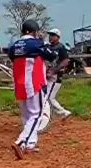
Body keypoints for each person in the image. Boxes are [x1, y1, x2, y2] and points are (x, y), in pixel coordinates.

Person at [7, 19, 56, 159]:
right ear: (35, 32)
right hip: (34, 84)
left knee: (27, 116)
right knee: (36, 115)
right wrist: (42, 42)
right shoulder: (36, 44)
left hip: (19, 85)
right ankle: (21, 142)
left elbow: (12, 57)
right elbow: (52, 55)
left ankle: (30, 144)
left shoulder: (14, 46)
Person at [45, 28, 71, 118]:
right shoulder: (48, 46)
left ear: (58, 37)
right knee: (44, 96)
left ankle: (63, 112)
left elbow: (65, 61)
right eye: (50, 35)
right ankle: (50, 114)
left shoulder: (61, 47)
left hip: (56, 76)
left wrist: (54, 70)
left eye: (53, 35)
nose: (50, 37)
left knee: (49, 97)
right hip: (47, 75)